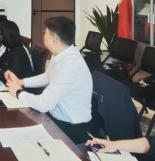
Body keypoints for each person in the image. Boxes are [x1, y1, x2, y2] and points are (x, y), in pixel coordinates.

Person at [5, 16, 92, 144]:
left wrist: (18, 92)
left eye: (44, 32)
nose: (43, 35)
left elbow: (43, 104)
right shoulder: (62, 54)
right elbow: (47, 76)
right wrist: (21, 82)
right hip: (55, 118)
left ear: (53, 39)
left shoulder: (70, 65)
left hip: (70, 129)